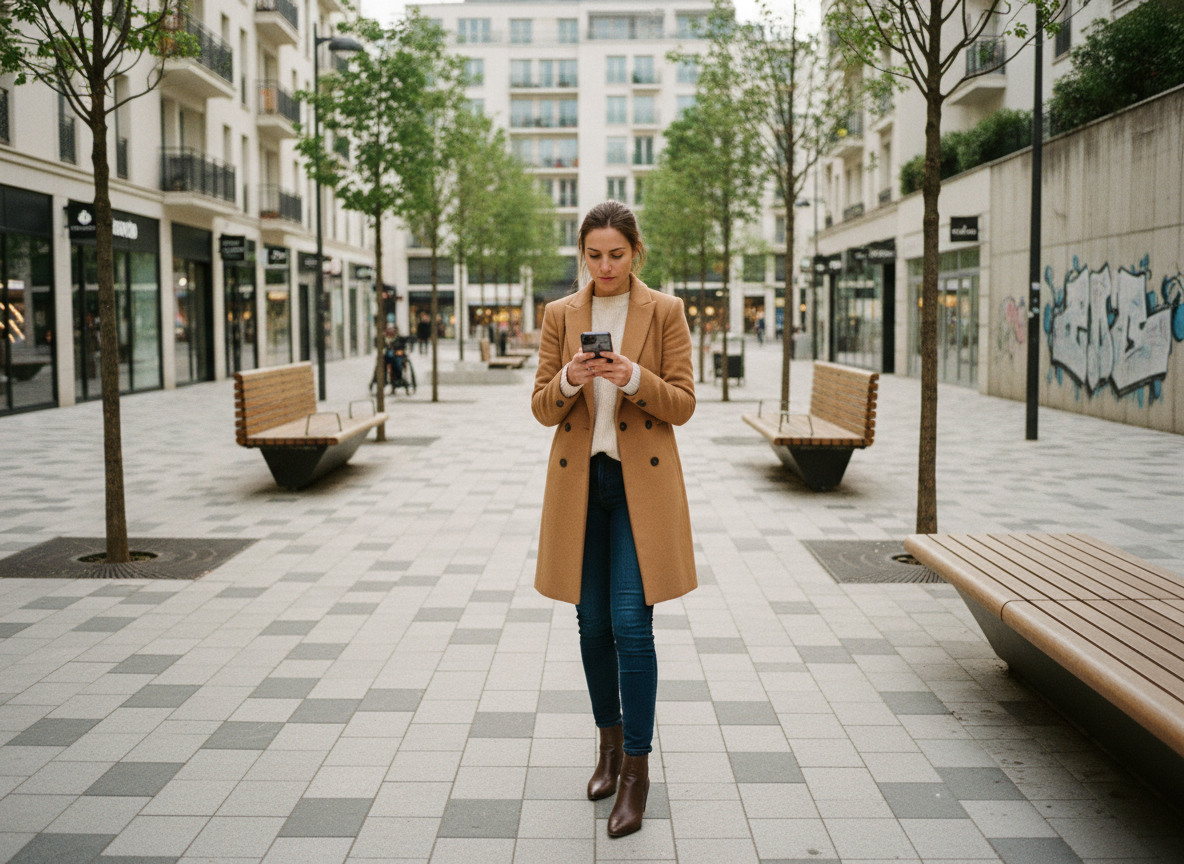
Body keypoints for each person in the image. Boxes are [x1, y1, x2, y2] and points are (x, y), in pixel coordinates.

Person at [531, 200, 697, 838]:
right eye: (594, 255)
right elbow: (543, 408)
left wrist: (633, 378)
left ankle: (635, 769)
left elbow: (682, 403)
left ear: (636, 254)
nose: (604, 266)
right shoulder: (559, 315)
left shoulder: (666, 312)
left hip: (639, 488)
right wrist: (571, 379)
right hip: (582, 487)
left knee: (632, 622)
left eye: (616, 255)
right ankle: (606, 745)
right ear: (583, 254)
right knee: (591, 621)